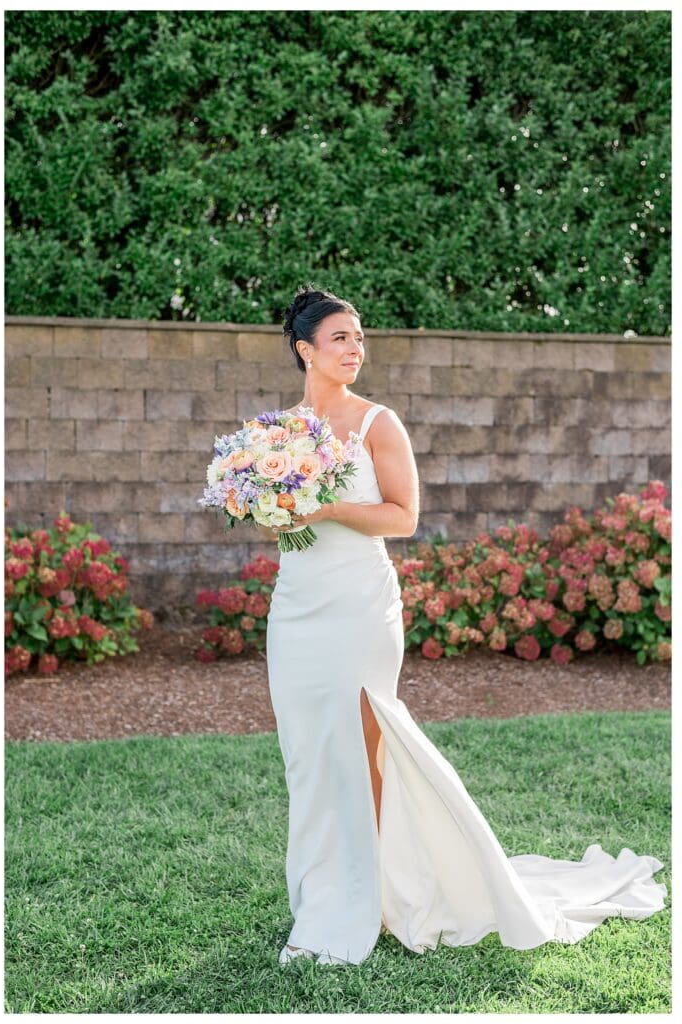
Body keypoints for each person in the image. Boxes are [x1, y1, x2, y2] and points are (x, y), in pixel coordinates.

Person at [259, 283, 667, 967]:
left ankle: (371, 895)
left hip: (359, 604)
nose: (355, 348)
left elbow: (402, 517)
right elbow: (279, 523)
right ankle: (321, 890)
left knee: (363, 746)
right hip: (296, 604)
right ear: (305, 350)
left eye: (360, 337)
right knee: (308, 753)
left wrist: (325, 510)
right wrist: (273, 512)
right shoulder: (273, 435)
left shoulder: (376, 424)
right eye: (340, 338)